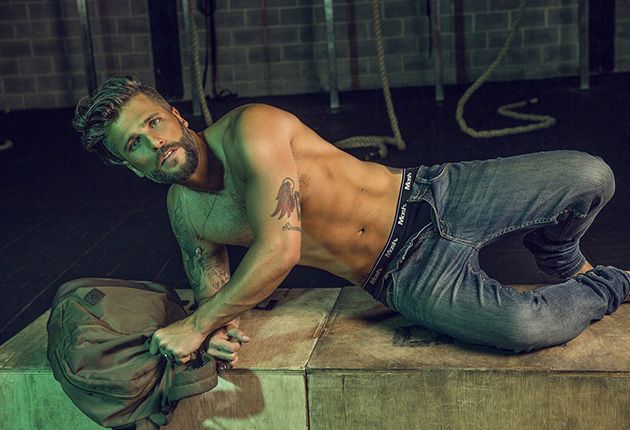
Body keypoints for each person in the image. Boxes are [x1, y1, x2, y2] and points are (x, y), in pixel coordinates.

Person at [72, 75, 629, 364]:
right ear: (130, 166)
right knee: (524, 329)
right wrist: (216, 332)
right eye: (134, 145)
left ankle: (556, 249)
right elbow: (213, 299)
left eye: (152, 123)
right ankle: (612, 283)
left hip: (431, 196)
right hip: (401, 276)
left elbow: (280, 248)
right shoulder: (186, 215)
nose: (153, 142)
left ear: (174, 114)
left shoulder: (250, 129)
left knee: (591, 175)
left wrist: (197, 326)